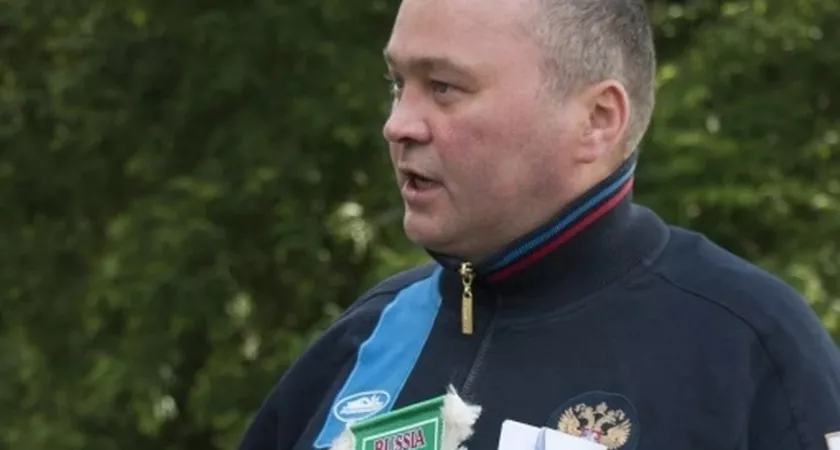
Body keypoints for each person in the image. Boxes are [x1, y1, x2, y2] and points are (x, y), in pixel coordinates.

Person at [238, 0, 840, 448]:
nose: (398, 124)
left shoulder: (747, 347)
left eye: (443, 87)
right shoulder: (366, 338)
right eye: (399, 83)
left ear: (597, 119)